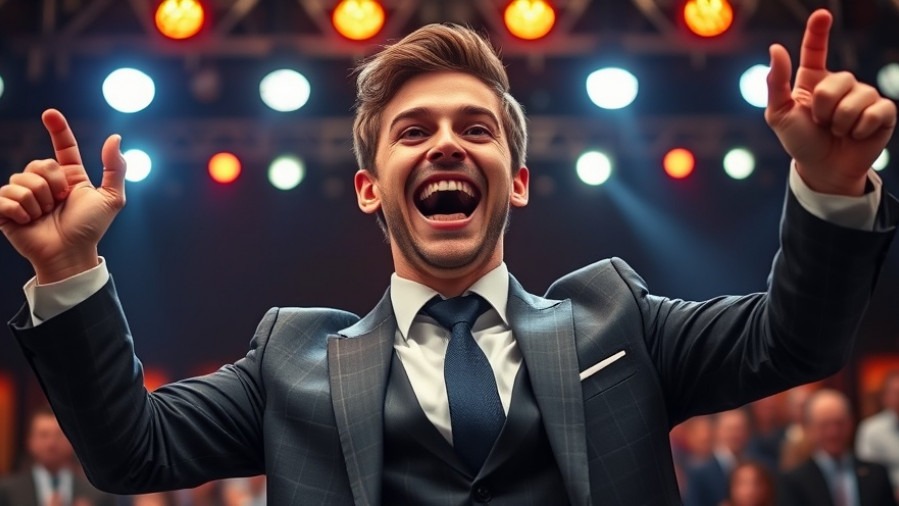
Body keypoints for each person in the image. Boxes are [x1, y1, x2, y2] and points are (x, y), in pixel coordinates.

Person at [1, 8, 896, 506]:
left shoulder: (617, 319)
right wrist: (66, 272)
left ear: (515, 182)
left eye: (475, 129)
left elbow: (795, 342)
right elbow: (129, 454)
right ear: (366, 188)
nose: (445, 147)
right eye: (411, 132)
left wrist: (827, 187)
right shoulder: (290, 359)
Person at [777, 389, 896, 506]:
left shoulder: (876, 474)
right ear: (810, 429)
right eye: (824, 425)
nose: (833, 432)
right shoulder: (795, 482)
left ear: (850, 424)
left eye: (839, 423)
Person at [0, 406, 116, 506]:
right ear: (30, 441)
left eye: (59, 435)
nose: (51, 444)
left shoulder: (97, 494)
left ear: (72, 441)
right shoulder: (6, 491)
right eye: (44, 435)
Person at [684, 409, 755, 506]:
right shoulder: (701, 473)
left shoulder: (757, 466)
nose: (736, 434)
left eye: (740, 429)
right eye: (731, 429)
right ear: (717, 431)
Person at [856, 371, 899, 497]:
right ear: (885, 397)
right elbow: (868, 473)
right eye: (896, 393)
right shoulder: (871, 429)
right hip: (887, 496)